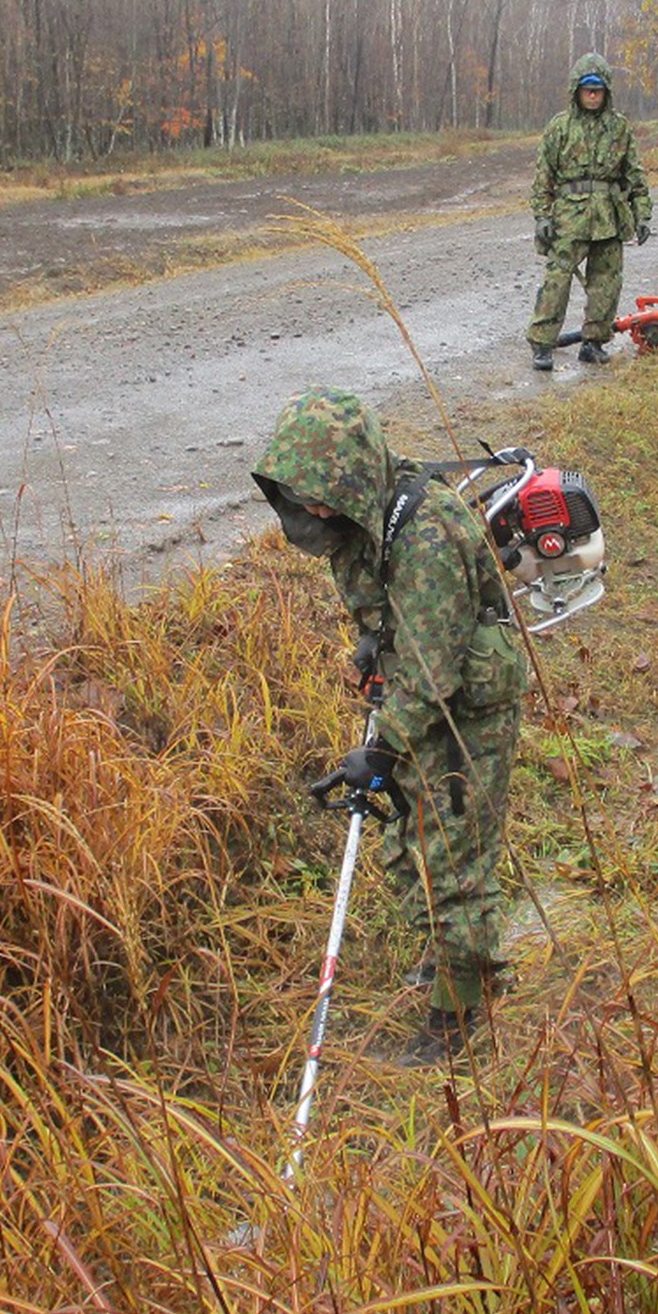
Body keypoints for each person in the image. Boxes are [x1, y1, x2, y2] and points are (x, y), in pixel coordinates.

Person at [252, 388, 528, 1066]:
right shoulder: (364, 516)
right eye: (302, 500)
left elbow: (435, 672)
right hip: (421, 691)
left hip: (465, 708)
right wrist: (376, 643)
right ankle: (465, 961)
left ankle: (457, 1013)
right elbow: (394, 614)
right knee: (409, 844)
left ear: (348, 479)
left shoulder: (427, 533)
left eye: (318, 498)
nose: (311, 513)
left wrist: (380, 750)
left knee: (451, 858)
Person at [527, 53, 653, 372]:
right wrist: (542, 216)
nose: (593, 95)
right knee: (557, 279)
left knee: (607, 281)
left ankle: (593, 342)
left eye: (598, 90)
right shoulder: (560, 127)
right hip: (569, 217)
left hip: (608, 217)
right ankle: (542, 343)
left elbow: (634, 175)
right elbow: (544, 175)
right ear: (577, 91)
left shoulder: (619, 128)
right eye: (587, 90)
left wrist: (642, 214)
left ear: (607, 91)